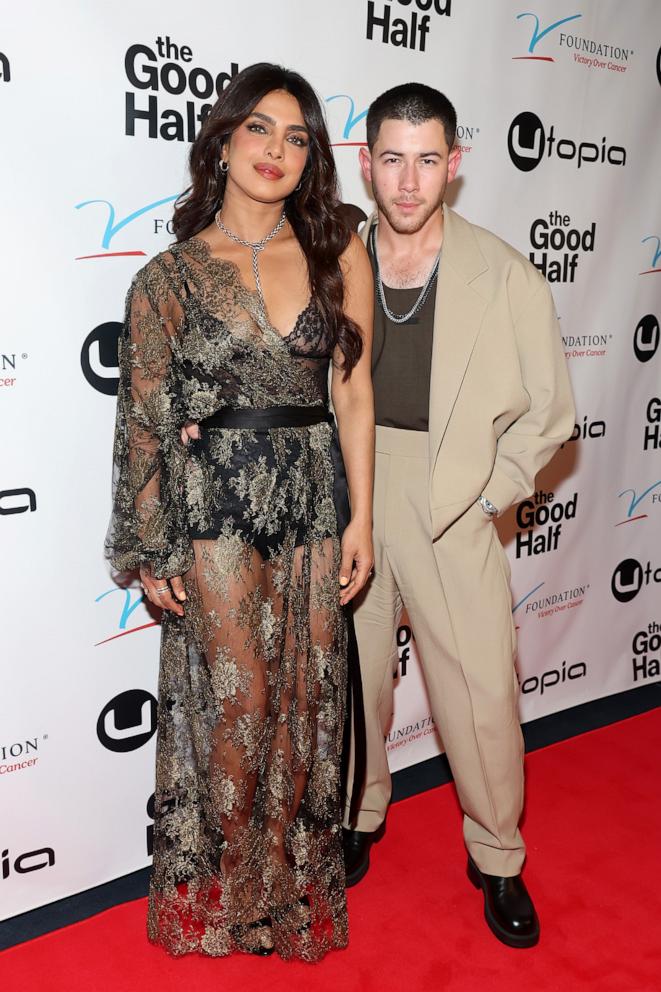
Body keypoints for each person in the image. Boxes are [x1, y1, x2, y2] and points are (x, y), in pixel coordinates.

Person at [106, 62, 374, 961]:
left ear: (311, 161)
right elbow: (143, 421)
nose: (277, 151)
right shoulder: (168, 277)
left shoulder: (341, 251)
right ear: (222, 140)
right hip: (214, 502)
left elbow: (356, 396)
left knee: (303, 698)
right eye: (260, 129)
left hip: (311, 500)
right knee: (241, 700)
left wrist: (362, 521)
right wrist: (150, 547)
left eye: (297, 138)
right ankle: (236, 872)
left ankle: (269, 883)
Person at [341, 83, 575, 949]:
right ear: (365, 164)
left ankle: (498, 855)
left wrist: (487, 494)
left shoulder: (501, 270)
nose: (408, 182)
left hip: (455, 495)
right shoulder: (336, 261)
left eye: (427, 160)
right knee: (354, 679)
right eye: (391, 159)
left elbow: (551, 412)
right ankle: (358, 812)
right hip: (353, 493)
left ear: (454, 165)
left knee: (479, 691)